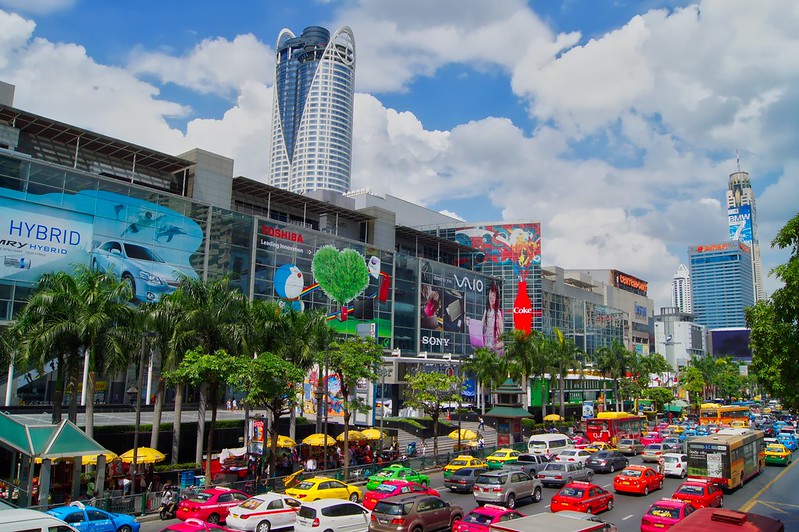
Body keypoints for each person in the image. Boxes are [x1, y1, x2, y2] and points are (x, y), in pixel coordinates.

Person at [482, 282, 504, 354]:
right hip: (486, 350)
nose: (491, 297)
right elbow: (480, 327)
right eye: (490, 294)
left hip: (495, 352)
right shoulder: (486, 311)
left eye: (494, 295)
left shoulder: (498, 313)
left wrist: (493, 347)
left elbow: (502, 340)